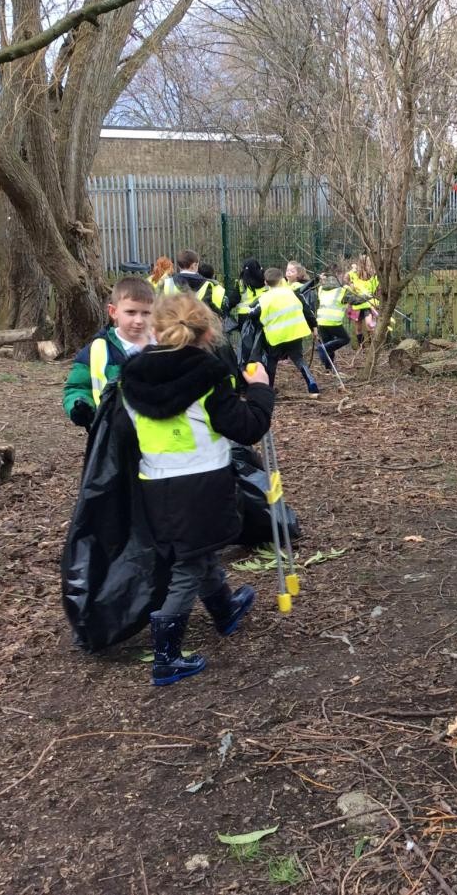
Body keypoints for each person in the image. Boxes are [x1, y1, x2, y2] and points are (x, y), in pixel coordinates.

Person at [118, 293, 275, 685]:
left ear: (156, 328)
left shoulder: (131, 377)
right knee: (187, 564)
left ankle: (224, 609)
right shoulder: (208, 377)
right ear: (206, 332)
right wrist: (259, 389)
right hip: (202, 483)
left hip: (155, 483)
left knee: (197, 549)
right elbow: (247, 426)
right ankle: (166, 656)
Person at [62, 277, 155, 428]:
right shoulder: (97, 350)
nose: (139, 320)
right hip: (112, 433)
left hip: (159, 436)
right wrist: (80, 406)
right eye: (131, 312)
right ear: (113, 312)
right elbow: (77, 387)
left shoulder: (165, 346)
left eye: (146, 313)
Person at [247, 267, 321, 396]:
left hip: (276, 336)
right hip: (295, 333)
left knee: (272, 362)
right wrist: (314, 327)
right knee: (298, 359)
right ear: (282, 280)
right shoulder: (293, 293)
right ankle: (311, 383)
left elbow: (253, 314)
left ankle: (269, 390)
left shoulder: (264, 298)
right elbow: (307, 311)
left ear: (265, 282)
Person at [314, 268, 352, 370]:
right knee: (345, 339)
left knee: (329, 343)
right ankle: (323, 348)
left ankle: (328, 368)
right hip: (333, 322)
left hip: (321, 321)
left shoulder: (321, 289)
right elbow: (355, 300)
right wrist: (367, 297)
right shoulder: (342, 290)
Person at [345, 256, 380, 347]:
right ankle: (362, 348)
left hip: (368, 304)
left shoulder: (373, 274)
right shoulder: (354, 274)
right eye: (366, 262)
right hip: (357, 304)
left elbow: (376, 287)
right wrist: (351, 282)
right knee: (358, 327)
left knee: (370, 325)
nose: (367, 264)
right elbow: (346, 279)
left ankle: (373, 347)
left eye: (368, 262)